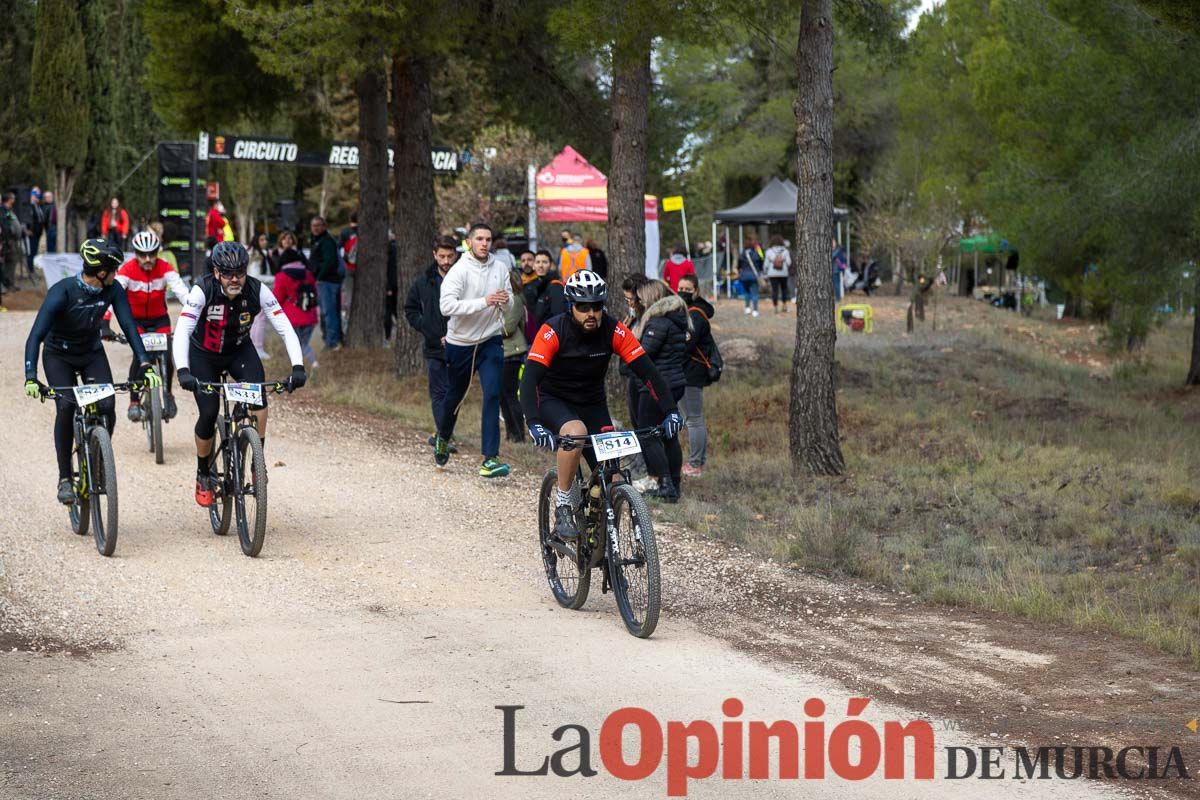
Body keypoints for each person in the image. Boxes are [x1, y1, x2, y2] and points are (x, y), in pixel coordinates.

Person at [520, 270, 682, 539]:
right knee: (575, 432)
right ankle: (563, 504)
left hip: (592, 403)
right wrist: (534, 422)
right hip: (554, 400)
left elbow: (649, 373)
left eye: (596, 306)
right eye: (583, 307)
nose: (591, 313)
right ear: (571, 306)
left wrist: (670, 411)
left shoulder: (613, 329)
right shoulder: (553, 330)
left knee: (613, 478)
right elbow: (530, 380)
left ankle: (606, 545)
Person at [23, 240, 162, 504]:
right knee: (66, 406)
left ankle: (98, 454)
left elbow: (130, 326)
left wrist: (144, 363)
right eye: (114, 269)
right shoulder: (62, 292)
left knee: (108, 405)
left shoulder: (113, 290)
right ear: (101, 271)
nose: (117, 273)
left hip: (91, 353)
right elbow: (35, 336)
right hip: (58, 355)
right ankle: (65, 478)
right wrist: (31, 376)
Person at [173, 242, 306, 507]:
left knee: (259, 401)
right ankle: (202, 473)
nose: (235, 279)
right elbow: (183, 330)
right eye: (228, 273)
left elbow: (285, 328)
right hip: (204, 355)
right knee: (209, 413)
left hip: (238, 352)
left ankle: (258, 462)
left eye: (240, 272)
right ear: (216, 271)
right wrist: (183, 370)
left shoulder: (258, 289)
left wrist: (298, 367)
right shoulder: (203, 290)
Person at [435, 223, 512, 478]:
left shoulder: (500, 267)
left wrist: (505, 301)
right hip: (461, 343)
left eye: (488, 239)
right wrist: (484, 302)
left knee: (492, 394)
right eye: (479, 239)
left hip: (490, 340)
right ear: (469, 242)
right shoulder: (459, 270)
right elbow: (446, 307)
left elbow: (510, 299)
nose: (484, 243)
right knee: (454, 397)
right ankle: (443, 436)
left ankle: (490, 458)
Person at [111, 229, 190, 422]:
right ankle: (134, 400)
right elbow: (112, 295)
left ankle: (168, 394)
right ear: (135, 253)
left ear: (158, 252)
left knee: (168, 353)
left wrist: (193, 312)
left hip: (159, 319)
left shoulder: (165, 267)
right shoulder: (127, 270)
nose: (147, 258)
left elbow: (182, 292)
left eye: (152, 254)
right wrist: (104, 321)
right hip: (135, 321)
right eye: (142, 254)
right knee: (140, 356)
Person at [629, 279, 691, 502]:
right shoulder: (677, 319)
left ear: (652, 297)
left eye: (643, 297)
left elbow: (643, 356)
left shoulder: (658, 323)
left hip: (657, 385)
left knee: (648, 434)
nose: (640, 302)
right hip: (675, 382)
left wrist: (633, 339)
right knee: (668, 434)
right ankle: (673, 484)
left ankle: (664, 482)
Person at [404, 236, 457, 449]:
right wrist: (425, 326)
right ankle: (444, 436)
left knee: (454, 391)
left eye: (449, 256)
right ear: (434, 255)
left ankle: (444, 433)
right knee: (438, 392)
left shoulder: (463, 278)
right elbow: (410, 309)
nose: (445, 260)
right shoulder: (423, 281)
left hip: (460, 343)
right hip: (434, 344)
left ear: (456, 255)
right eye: (441, 256)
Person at [677, 273, 720, 477]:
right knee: (693, 418)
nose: (683, 292)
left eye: (687, 289)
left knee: (694, 419)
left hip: (691, 372)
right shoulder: (691, 311)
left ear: (696, 291)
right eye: (680, 288)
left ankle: (695, 464)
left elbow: (686, 343)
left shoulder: (695, 314)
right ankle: (697, 462)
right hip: (690, 371)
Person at [271, 243, 320, 368]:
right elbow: (315, 291)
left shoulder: (281, 276)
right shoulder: (308, 274)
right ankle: (307, 364)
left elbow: (277, 298)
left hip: (292, 317)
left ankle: (312, 364)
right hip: (310, 316)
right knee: (303, 342)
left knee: (297, 344)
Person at [500, 262, 528, 443]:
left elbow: (508, 327)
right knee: (502, 395)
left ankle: (519, 434)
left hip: (513, 353)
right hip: (502, 352)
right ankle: (510, 432)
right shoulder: (503, 301)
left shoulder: (516, 300)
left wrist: (489, 328)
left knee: (510, 394)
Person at [308, 215, 342, 350]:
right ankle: (329, 339)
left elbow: (330, 261)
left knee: (329, 312)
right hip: (321, 281)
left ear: (324, 226)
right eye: (313, 226)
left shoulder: (327, 241)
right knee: (324, 312)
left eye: (318, 225)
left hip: (327, 281)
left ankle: (332, 342)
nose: (315, 228)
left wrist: (319, 277)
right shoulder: (316, 240)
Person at [524, 249, 565, 340]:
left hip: (548, 338)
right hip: (536, 336)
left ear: (550, 265)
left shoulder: (555, 286)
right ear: (533, 265)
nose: (541, 266)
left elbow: (558, 317)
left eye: (544, 262)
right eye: (538, 262)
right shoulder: (532, 286)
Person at [763, 235, 791, 313]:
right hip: (784, 273)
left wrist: (765, 272)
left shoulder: (769, 251)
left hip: (772, 274)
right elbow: (789, 263)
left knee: (775, 290)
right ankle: (784, 305)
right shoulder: (785, 251)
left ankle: (775, 307)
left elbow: (766, 264)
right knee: (784, 289)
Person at [1, 192, 22, 292]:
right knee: (10, 261)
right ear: (9, 199)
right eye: (13, 197)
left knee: (13, 261)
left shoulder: (9, 210)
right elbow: (5, 225)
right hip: (7, 241)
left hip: (13, 240)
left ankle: (10, 283)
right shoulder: (3, 210)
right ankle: (8, 284)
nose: (14, 199)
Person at [737, 237, 763, 316]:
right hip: (753, 275)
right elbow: (761, 261)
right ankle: (755, 310)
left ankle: (747, 308)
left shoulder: (743, 253)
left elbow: (739, 265)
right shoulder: (756, 252)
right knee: (754, 293)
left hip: (744, 276)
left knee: (746, 292)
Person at [25, 187, 47, 278]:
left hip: (38, 233)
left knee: (34, 252)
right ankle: (30, 271)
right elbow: (27, 218)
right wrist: (27, 229)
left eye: (38, 196)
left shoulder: (38, 206)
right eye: (35, 195)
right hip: (31, 233)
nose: (37, 198)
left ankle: (32, 270)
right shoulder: (29, 206)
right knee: (31, 253)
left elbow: (40, 218)